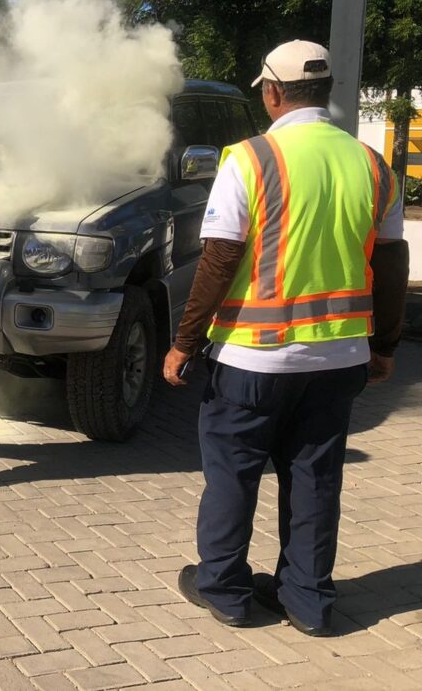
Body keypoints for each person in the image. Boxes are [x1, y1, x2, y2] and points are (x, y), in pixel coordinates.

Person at [162, 40, 409, 635]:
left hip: (253, 357)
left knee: (233, 472)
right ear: (324, 92)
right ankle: (309, 601)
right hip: (339, 358)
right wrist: (385, 347)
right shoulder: (374, 166)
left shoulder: (248, 159)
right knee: (316, 476)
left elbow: (219, 260)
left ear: (272, 92)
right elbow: (393, 264)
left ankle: (224, 587)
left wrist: (184, 342)